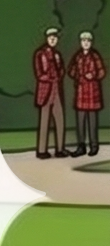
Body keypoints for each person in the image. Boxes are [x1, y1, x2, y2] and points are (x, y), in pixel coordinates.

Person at [33, 26, 67, 159]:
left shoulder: (57, 54)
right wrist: (50, 77)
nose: (53, 40)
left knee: (60, 119)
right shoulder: (40, 54)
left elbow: (62, 69)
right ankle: (42, 150)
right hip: (46, 91)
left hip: (56, 90)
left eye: (55, 38)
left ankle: (60, 148)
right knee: (44, 121)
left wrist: (59, 76)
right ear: (47, 39)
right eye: (51, 38)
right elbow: (39, 74)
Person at [71, 30, 103, 157]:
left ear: (91, 42)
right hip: (80, 93)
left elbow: (102, 72)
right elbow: (71, 70)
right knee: (80, 122)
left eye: (88, 41)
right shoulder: (78, 56)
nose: (85, 43)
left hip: (92, 94)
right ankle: (81, 147)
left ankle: (94, 146)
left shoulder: (95, 56)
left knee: (93, 122)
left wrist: (93, 75)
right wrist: (78, 76)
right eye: (83, 41)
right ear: (81, 42)